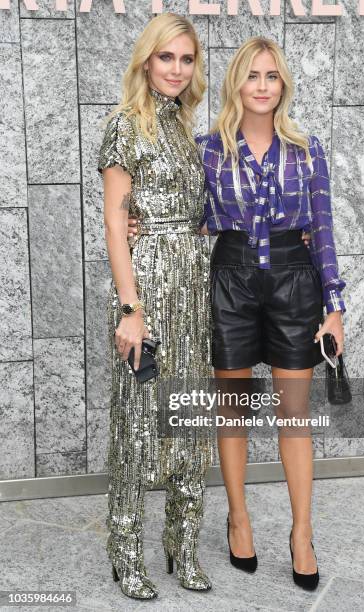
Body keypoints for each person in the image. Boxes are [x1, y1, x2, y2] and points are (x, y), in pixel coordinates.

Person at [196, 37, 346, 591]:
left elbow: (324, 230)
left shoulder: (308, 151)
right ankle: (239, 518)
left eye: (272, 76)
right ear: (237, 82)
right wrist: (139, 227)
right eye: (253, 75)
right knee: (233, 409)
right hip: (230, 278)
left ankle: (301, 532)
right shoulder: (207, 150)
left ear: (283, 85)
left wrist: (334, 306)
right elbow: (192, 221)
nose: (262, 85)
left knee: (293, 416)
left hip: (294, 279)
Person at [98, 13, 214, 600]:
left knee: (189, 423)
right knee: (139, 427)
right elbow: (116, 224)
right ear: (147, 61)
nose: (175, 69)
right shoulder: (124, 127)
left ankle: (182, 546)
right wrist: (129, 308)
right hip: (146, 290)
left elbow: (195, 213)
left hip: (192, 293)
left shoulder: (186, 129)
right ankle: (125, 553)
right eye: (166, 57)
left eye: (186, 59)